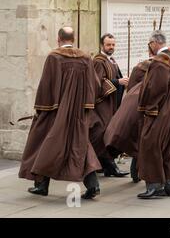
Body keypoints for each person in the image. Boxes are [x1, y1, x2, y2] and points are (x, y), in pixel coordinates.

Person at [19, 27, 101, 199]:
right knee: (80, 145)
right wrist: (86, 107)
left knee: (44, 143)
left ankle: (41, 185)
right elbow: (95, 85)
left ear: (58, 39)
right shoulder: (85, 58)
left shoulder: (53, 57)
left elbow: (47, 86)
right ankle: (93, 185)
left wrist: (41, 109)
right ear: (74, 38)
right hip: (79, 113)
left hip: (56, 113)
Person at [136, 30, 170, 199]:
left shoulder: (159, 62)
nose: (149, 46)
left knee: (149, 144)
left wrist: (146, 108)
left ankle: (154, 185)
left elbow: (155, 90)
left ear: (154, 43)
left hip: (160, 112)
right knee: (167, 147)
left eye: (149, 43)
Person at [103, 44, 155, 183]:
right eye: (109, 44)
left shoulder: (141, 67)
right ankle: (137, 172)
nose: (111, 46)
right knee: (139, 140)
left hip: (138, 107)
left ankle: (137, 172)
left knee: (139, 140)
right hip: (142, 109)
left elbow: (131, 87)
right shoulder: (144, 68)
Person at [89, 33, 129, 177]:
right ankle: (110, 167)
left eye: (113, 45)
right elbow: (97, 83)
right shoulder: (99, 61)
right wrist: (118, 82)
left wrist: (122, 81)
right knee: (102, 135)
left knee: (108, 134)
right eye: (108, 45)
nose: (111, 47)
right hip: (102, 106)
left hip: (112, 104)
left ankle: (103, 166)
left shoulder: (111, 60)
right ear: (102, 45)